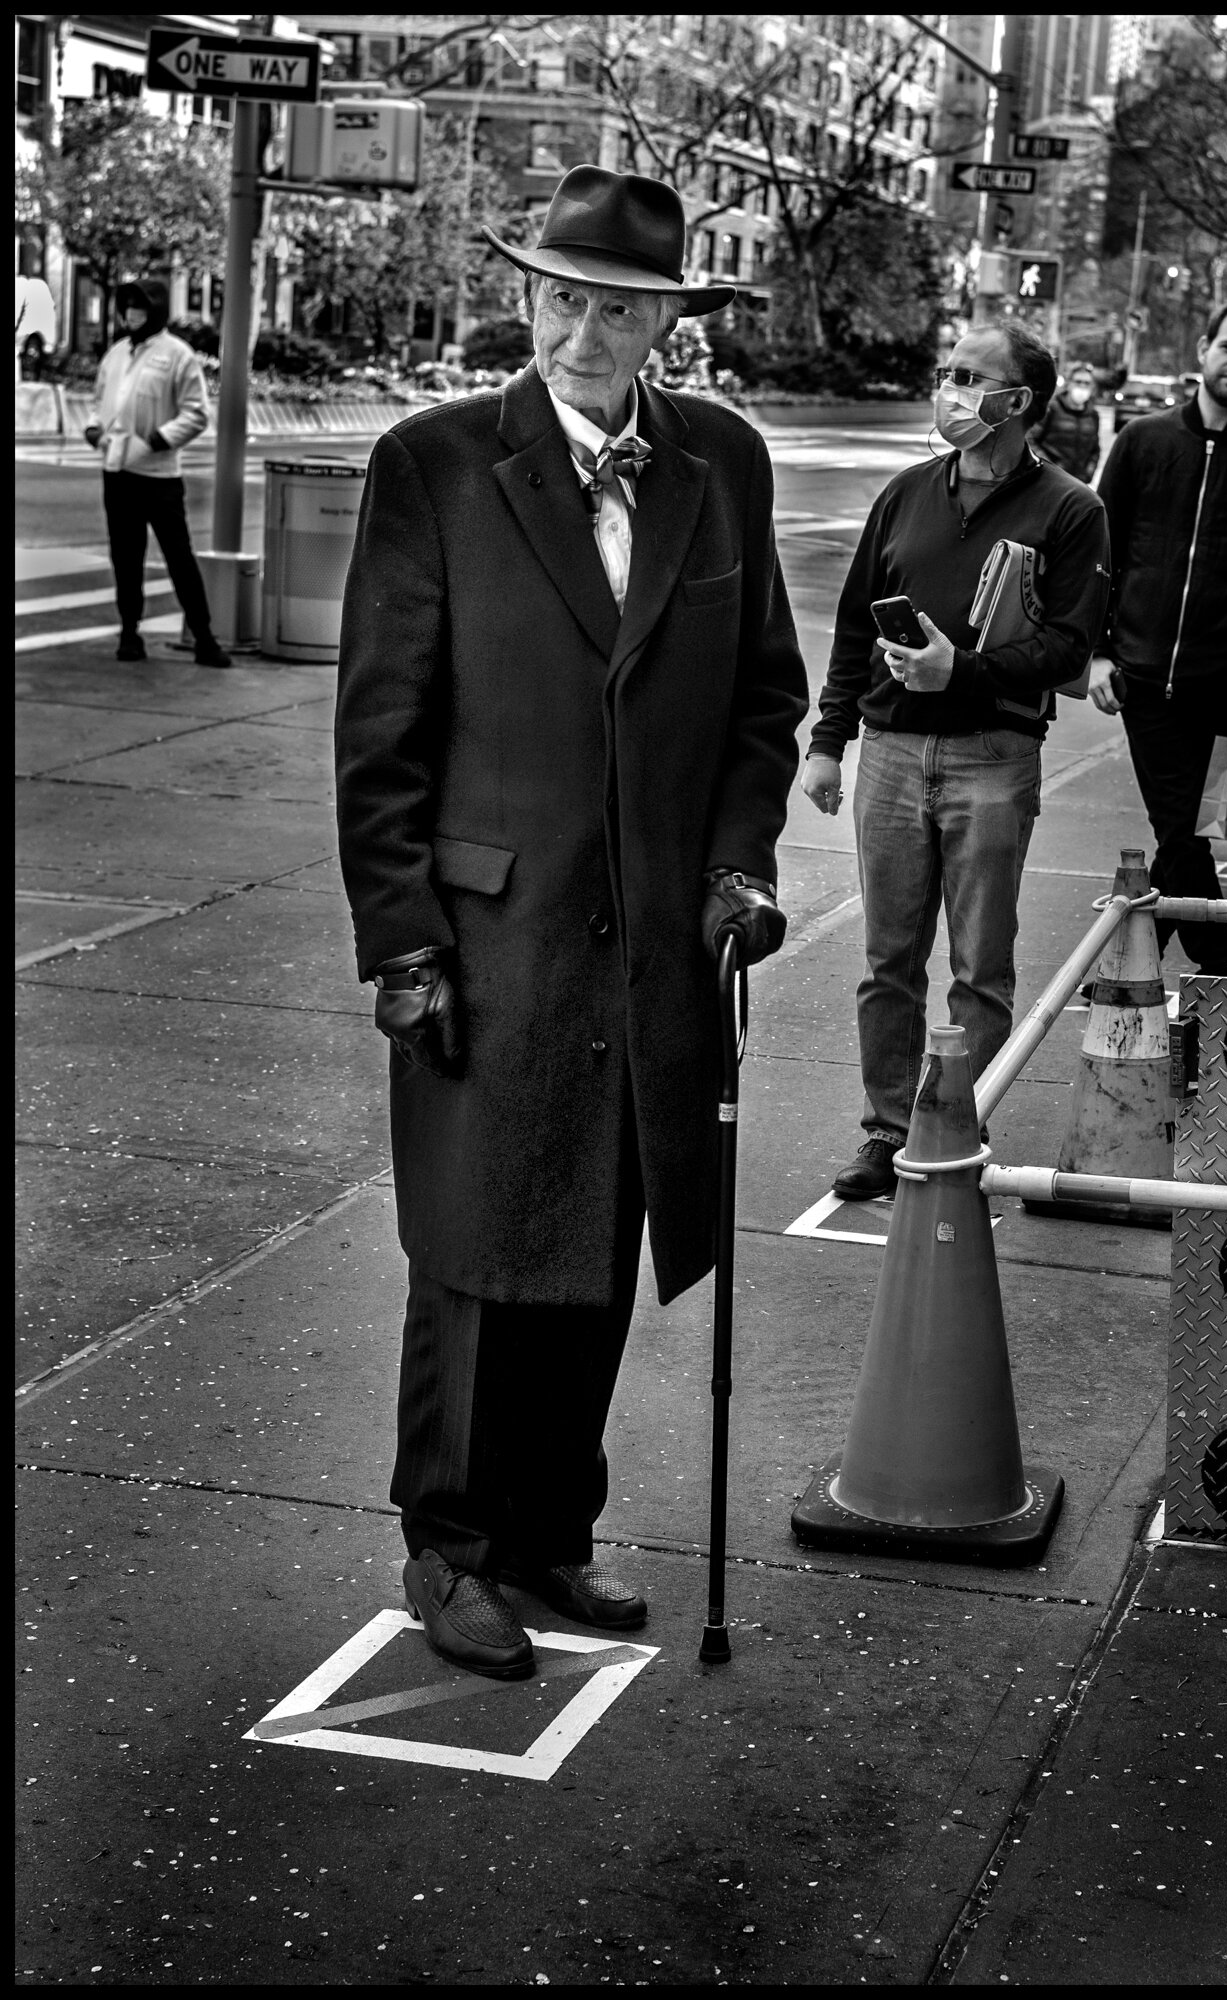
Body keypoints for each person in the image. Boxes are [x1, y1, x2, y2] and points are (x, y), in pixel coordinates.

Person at [334, 166, 809, 1679]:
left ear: (666, 318)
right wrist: (401, 938)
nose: (585, 331)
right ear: (527, 298)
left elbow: (761, 702)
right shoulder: (436, 462)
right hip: (490, 939)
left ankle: (548, 1530)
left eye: (618, 306)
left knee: (594, 1246)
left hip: (657, 942)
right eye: (563, 298)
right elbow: (382, 732)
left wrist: (739, 864)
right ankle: (452, 1547)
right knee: (479, 1253)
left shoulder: (722, 462)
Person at [804, 322, 1111, 1199]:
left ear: (1017, 403)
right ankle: (888, 1128)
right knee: (888, 960)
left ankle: (950, 1129)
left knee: (980, 967)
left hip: (994, 758)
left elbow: (1068, 649)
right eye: (946, 371)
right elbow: (857, 627)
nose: (949, 388)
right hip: (892, 753)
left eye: (970, 377)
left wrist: (960, 671)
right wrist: (829, 743)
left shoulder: (1069, 510)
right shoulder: (904, 494)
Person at [1090, 296, 1227, 977]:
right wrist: (1096, 651)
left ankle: (1142, 978)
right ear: (1202, 349)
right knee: (1184, 832)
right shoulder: (1143, 442)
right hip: (1144, 680)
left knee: (1181, 840)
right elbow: (1101, 554)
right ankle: (1222, 981)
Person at [83, 278, 231, 668]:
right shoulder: (116, 354)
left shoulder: (177, 355)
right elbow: (99, 400)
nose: (131, 315)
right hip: (117, 470)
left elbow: (197, 412)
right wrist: (94, 429)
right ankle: (129, 632)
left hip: (159, 475)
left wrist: (160, 438)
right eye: (127, 307)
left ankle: (204, 637)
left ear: (156, 311)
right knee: (125, 557)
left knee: (178, 557)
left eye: (139, 307)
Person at [1029, 361, 1101, 483]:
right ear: (1069, 384)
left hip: (1078, 484)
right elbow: (1031, 441)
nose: (1082, 386)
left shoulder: (1093, 415)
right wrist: (1050, 470)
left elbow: (1095, 450)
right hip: (1049, 481)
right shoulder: (1051, 408)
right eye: (1078, 382)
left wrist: (1088, 474)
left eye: (1087, 383)